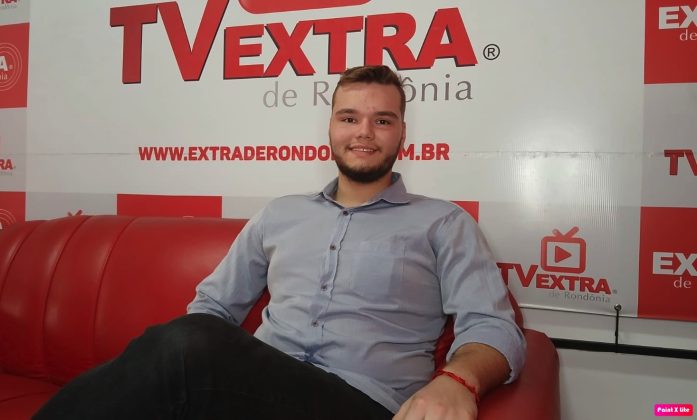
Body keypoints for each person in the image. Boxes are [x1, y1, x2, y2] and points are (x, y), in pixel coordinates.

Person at [34, 65, 525, 420]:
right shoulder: (280, 214)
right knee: (182, 347)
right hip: (252, 390)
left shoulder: (443, 222)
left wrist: (457, 380)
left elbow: (493, 326)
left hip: (360, 402)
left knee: (183, 346)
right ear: (330, 128)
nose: (364, 133)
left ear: (402, 134)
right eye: (349, 118)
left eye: (382, 120)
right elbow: (212, 307)